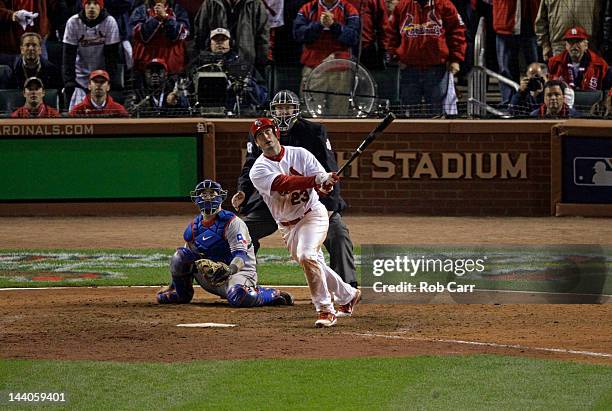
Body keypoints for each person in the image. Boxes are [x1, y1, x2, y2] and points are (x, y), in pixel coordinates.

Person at [233, 90, 358, 288]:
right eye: (278, 108)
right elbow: (250, 166)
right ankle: (243, 282)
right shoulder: (261, 132)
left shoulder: (314, 131)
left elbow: (329, 169)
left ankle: (346, 286)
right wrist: (243, 191)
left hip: (310, 200)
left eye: (287, 107)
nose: (283, 112)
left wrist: (329, 205)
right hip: (274, 202)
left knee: (338, 233)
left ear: (296, 110)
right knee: (241, 232)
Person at [248, 118, 361, 328]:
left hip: (312, 214)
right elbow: (284, 182)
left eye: (268, 132)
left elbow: (319, 178)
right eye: (260, 135)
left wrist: (324, 184)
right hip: (287, 225)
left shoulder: (300, 154)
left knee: (308, 255)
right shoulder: (258, 170)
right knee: (311, 261)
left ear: (276, 133)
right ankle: (348, 294)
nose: (266, 137)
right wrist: (316, 181)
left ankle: (326, 310)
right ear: (257, 143)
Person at [157, 179, 294, 307]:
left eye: (212, 193)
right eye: (203, 194)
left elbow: (241, 256)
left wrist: (229, 270)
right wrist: (172, 285)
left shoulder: (232, 223)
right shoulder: (194, 227)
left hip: (238, 273)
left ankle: (271, 294)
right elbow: (185, 259)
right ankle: (181, 294)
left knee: (239, 296)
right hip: (212, 276)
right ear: (196, 199)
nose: (208, 197)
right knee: (179, 256)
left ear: (221, 197)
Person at [385, 0, 466, 117]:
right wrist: (396, 56)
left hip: (437, 68)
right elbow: (390, 33)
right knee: (409, 113)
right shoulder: (402, 6)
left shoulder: (445, 5)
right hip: (408, 68)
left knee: (437, 113)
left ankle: (438, 135)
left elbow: (457, 32)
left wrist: (455, 59)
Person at [293, 0, 360, 116]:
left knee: (339, 115)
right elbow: (298, 35)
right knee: (310, 113)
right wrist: (319, 25)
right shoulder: (308, 8)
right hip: (313, 68)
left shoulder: (349, 9)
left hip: (341, 70)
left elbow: (353, 38)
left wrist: (334, 26)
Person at [191, 28, 267, 113]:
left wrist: (247, 82)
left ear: (231, 43)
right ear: (209, 43)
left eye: (223, 39)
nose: (220, 43)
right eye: (216, 39)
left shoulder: (243, 66)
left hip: (236, 113)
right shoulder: (197, 65)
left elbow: (261, 98)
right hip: (203, 112)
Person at [62, 0, 121, 110]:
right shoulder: (73, 22)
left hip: (101, 77)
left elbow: (112, 57)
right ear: (83, 6)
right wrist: (69, 81)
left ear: (101, 6)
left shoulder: (110, 22)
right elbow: (68, 56)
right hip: (79, 78)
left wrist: (110, 81)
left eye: (96, 3)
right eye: (88, 3)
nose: (92, 7)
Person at [193, 0, 270, 75]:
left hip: (245, 64)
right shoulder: (210, 3)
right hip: (215, 65)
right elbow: (200, 35)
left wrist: (260, 65)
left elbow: (262, 39)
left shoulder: (256, 4)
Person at [492, 0, 540, 106]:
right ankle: (508, 102)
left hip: (530, 23)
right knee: (505, 69)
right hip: (504, 25)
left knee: (534, 68)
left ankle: (534, 101)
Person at [129, 0, 190, 76]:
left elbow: (183, 34)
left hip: (172, 65)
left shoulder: (178, 10)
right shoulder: (140, 11)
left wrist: (166, 17)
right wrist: (156, 19)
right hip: (145, 64)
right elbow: (137, 34)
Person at [547, 27, 612, 92]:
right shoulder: (554, 63)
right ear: (566, 45)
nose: (574, 45)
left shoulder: (601, 65)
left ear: (586, 45)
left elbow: (607, 91)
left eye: (578, 41)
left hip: (591, 101)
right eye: (571, 42)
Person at [535, 0, 601, 61]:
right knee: (560, 72)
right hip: (559, 45)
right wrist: (545, 45)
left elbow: (600, 17)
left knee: (587, 72)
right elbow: (541, 21)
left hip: (587, 45)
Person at [124, 58, 189, 116]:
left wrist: (176, 99)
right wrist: (139, 108)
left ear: (166, 74)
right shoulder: (139, 92)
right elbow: (129, 109)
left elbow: (186, 107)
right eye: (150, 72)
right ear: (145, 75)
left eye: (159, 72)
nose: (154, 75)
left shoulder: (173, 90)